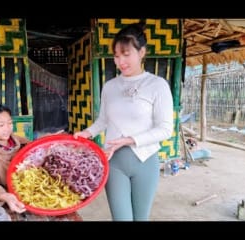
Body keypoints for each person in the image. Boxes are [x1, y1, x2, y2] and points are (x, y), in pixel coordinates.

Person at [74, 23, 174, 221]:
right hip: (114, 161)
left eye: (126, 54)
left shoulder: (157, 85)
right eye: (117, 56)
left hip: (145, 160)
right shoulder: (110, 86)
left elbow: (165, 129)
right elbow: (103, 121)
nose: (120, 61)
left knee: (141, 218)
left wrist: (129, 139)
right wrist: (87, 133)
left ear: (142, 52)